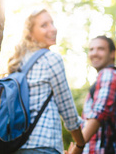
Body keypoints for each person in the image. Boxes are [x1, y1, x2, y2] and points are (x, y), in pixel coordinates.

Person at [8, 8, 85, 154]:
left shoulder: (17, 62)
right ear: (30, 33)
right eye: (44, 25)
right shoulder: (51, 59)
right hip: (43, 145)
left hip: (16, 146)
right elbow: (66, 107)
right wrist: (80, 143)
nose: (53, 29)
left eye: (52, 23)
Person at [67, 36, 116, 154]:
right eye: (91, 49)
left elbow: (98, 114)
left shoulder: (108, 75)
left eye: (100, 49)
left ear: (112, 54)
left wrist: (77, 149)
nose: (94, 53)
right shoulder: (109, 77)